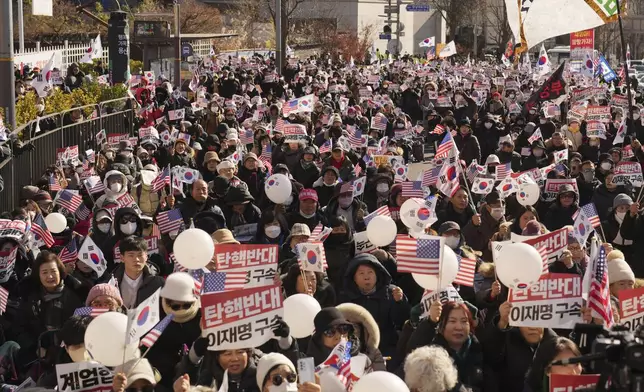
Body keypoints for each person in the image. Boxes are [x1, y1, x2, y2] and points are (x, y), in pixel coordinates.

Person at [340, 253, 410, 361]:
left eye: (370, 272)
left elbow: (402, 322)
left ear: (377, 275)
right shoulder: (346, 297)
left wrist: (400, 303)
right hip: (355, 347)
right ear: (354, 278)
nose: (366, 277)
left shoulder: (392, 292)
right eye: (361, 273)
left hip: (387, 345)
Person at [406, 302, 485, 391]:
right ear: (441, 326)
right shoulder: (432, 356)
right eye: (452, 321)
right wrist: (430, 322)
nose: (459, 327)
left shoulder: (479, 349)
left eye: (464, 321)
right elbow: (412, 350)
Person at [482, 301, 558, 392]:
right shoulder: (508, 338)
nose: (532, 327)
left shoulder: (556, 346)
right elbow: (489, 357)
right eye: (526, 321)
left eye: (537, 320)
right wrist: (502, 322)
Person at [108, 236, 164, 308]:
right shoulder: (111, 283)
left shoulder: (158, 283)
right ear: (122, 258)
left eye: (140, 255)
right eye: (131, 255)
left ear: (146, 256)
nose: (136, 259)